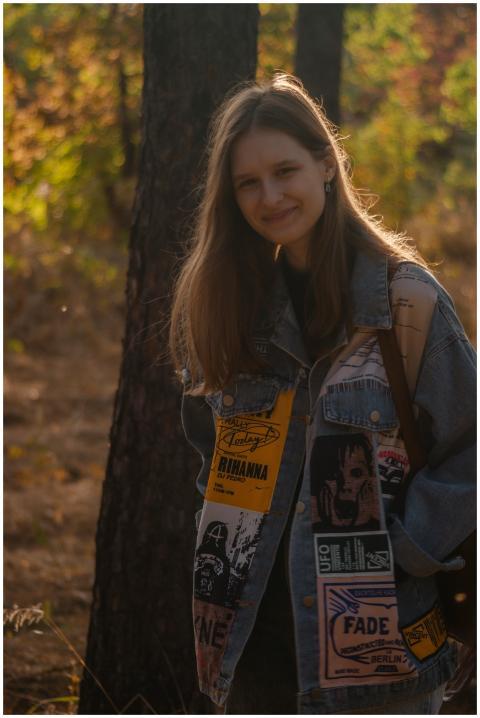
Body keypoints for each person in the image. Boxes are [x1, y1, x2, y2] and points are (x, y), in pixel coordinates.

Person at [169, 74, 476, 715]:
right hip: (249, 643)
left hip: (375, 652)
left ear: (326, 164)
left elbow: (469, 444)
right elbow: (209, 447)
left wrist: (406, 548)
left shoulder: (406, 303)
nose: (270, 196)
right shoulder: (228, 305)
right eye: (247, 183)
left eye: (285, 170)